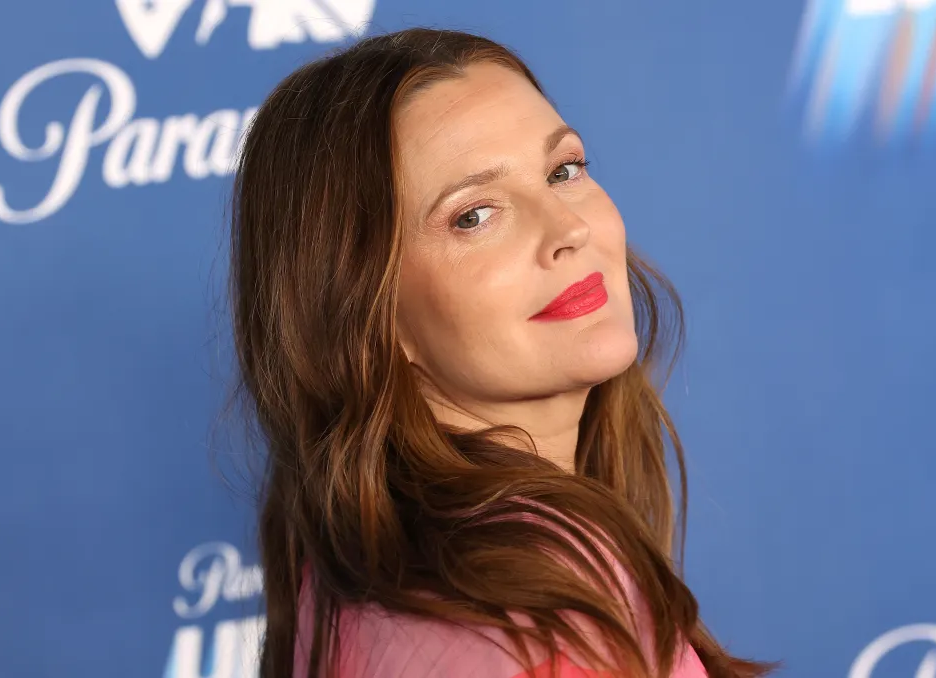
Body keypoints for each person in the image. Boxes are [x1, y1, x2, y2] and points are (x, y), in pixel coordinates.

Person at [227, 27, 773, 678]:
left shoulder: (368, 567)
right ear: (368, 316)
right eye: (475, 215)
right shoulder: (543, 623)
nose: (568, 228)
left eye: (563, 171)